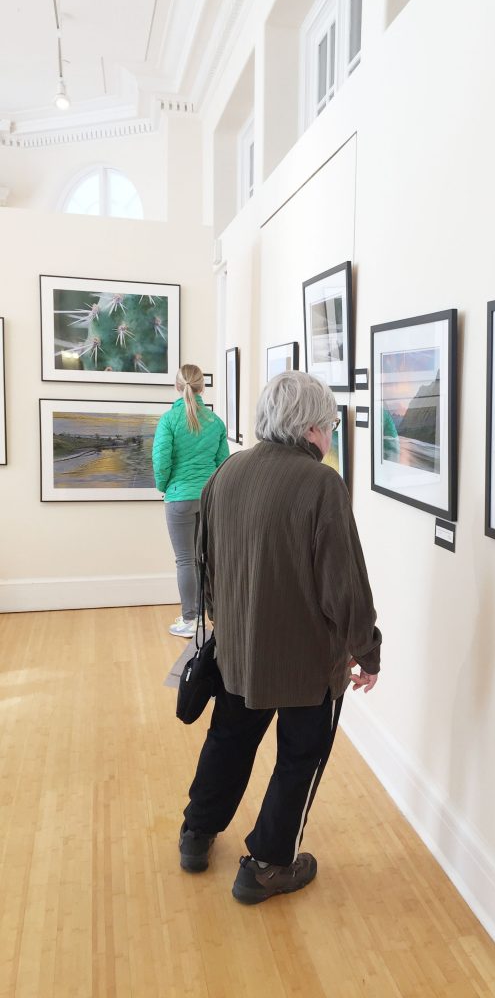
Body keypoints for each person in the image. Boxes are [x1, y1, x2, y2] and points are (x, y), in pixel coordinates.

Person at [178, 371, 381, 905]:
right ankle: (267, 865)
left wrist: (229, 631)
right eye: (332, 424)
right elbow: (346, 586)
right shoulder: (321, 484)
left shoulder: (228, 471)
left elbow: (208, 566)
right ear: (313, 428)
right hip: (307, 664)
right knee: (300, 758)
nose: (332, 435)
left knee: (229, 740)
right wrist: (368, 650)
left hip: (240, 652)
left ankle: (197, 834)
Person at [152, 364, 229, 638]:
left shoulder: (169, 420)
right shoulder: (216, 422)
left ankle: (190, 620)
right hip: (209, 499)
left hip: (179, 498)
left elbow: (161, 462)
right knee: (208, 559)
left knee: (185, 560)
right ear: (201, 388)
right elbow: (223, 465)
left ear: (177, 386)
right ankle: (218, 617)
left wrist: (166, 487)